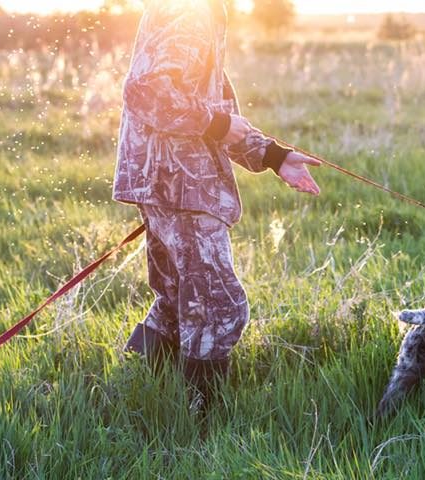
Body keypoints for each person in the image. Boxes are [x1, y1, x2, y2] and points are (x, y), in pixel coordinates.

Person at [113, 0, 322, 404]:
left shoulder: (202, 12)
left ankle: (139, 396)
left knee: (178, 304)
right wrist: (218, 125)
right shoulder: (190, 11)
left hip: (170, 181)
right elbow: (147, 91)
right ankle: (202, 426)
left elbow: (215, 111)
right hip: (179, 181)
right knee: (218, 308)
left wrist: (275, 157)